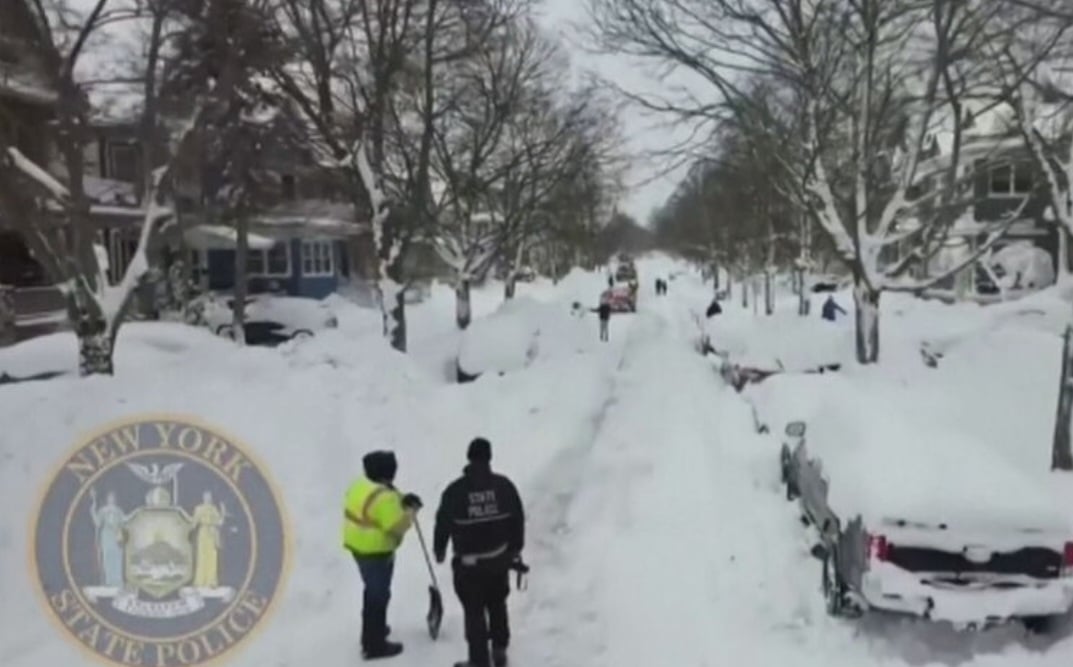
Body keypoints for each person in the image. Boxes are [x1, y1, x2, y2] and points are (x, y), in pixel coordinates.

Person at [434, 438, 525, 667]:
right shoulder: (504, 486)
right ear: (489, 457)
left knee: (474, 612)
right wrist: (515, 549)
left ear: (469, 457)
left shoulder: (455, 491)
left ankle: (479, 660)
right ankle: (500, 648)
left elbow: (443, 522)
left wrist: (440, 549)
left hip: (469, 565)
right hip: (498, 560)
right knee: (497, 603)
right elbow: (517, 519)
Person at [342, 450, 423, 660]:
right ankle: (373, 644)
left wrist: (402, 499)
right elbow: (395, 525)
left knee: (372, 592)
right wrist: (411, 511)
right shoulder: (383, 498)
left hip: (358, 547)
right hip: (375, 552)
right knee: (378, 596)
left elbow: (384, 499)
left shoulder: (362, 485)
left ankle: (373, 631)